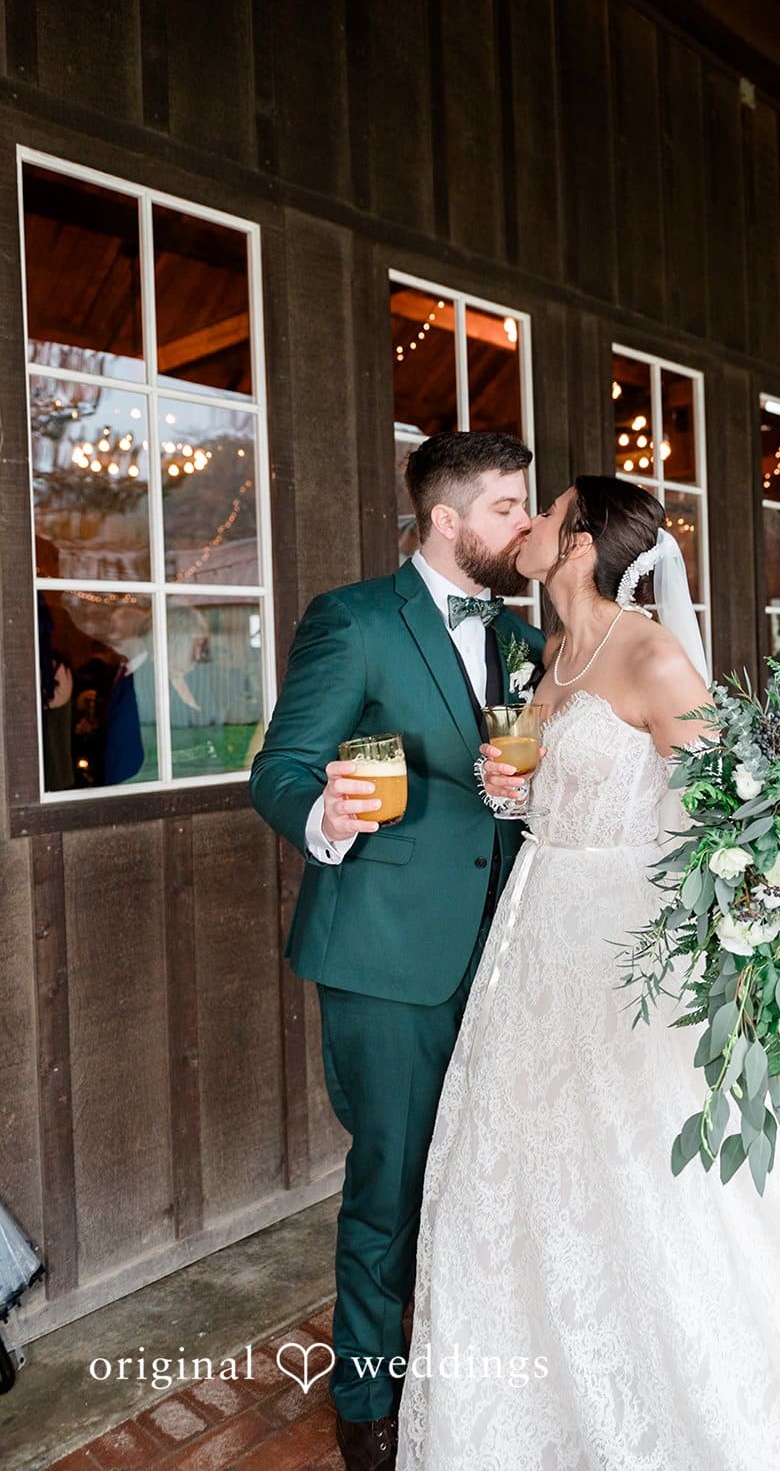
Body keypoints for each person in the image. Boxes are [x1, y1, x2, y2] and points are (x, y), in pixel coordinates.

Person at [396, 475, 780, 1471]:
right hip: (536, 929)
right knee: (531, 1149)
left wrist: (723, 956)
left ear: (582, 540)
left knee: (635, 1154)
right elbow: (550, 801)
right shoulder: (551, 654)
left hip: (627, 940)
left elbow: (719, 817)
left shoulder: (651, 652)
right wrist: (510, 790)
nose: (533, 525)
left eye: (547, 512)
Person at [250, 432, 544, 1470]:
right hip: (386, 954)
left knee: (481, 1170)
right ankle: (367, 1400)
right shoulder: (356, 619)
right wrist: (326, 817)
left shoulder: (517, 639)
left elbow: (518, 782)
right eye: (508, 506)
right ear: (449, 520)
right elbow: (281, 767)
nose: (526, 524)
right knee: (392, 1178)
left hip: (505, 950)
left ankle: (472, 1364)